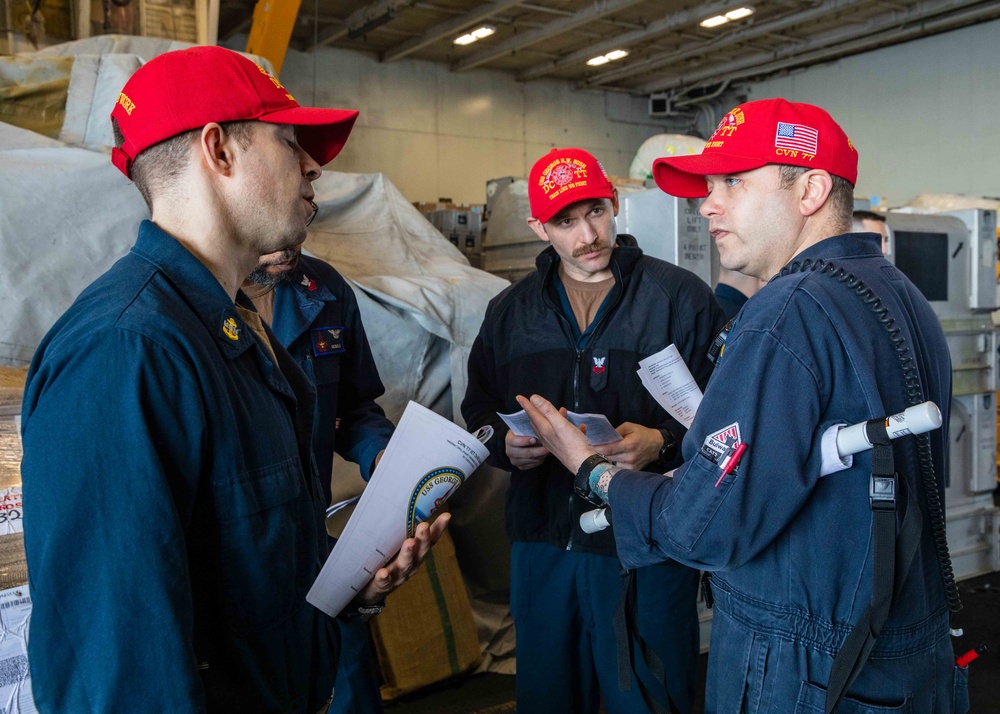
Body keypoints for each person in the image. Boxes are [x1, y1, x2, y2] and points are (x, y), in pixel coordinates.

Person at [20, 45, 447, 713]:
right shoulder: (126, 352)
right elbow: (123, 674)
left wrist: (349, 591)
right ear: (219, 152)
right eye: (288, 141)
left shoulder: (230, 329)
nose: (312, 166)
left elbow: (244, 571)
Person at [517, 99, 968, 712]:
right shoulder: (901, 296)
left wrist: (594, 471)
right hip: (902, 654)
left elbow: (703, 528)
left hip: (804, 667)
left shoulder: (784, 315)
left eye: (733, 181)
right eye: (709, 184)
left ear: (809, 190)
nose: (707, 204)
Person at [462, 147, 725, 713]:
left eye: (597, 212)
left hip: (646, 537)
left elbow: (727, 414)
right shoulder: (509, 313)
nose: (588, 234)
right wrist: (505, 447)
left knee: (650, 698)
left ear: (613, 204)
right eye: (566, 221)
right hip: (543, 540)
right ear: (539, 227)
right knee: (549, 697)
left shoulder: (679, 298)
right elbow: (478, 410)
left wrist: (662, 441)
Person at [244, 247, 394, 712]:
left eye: (307, 194)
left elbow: (354, 406)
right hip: (242, 565)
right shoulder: (191, 301)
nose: (292, 229)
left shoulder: (324, 290)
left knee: (350, 687)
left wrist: (382, 454)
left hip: (314, 552)